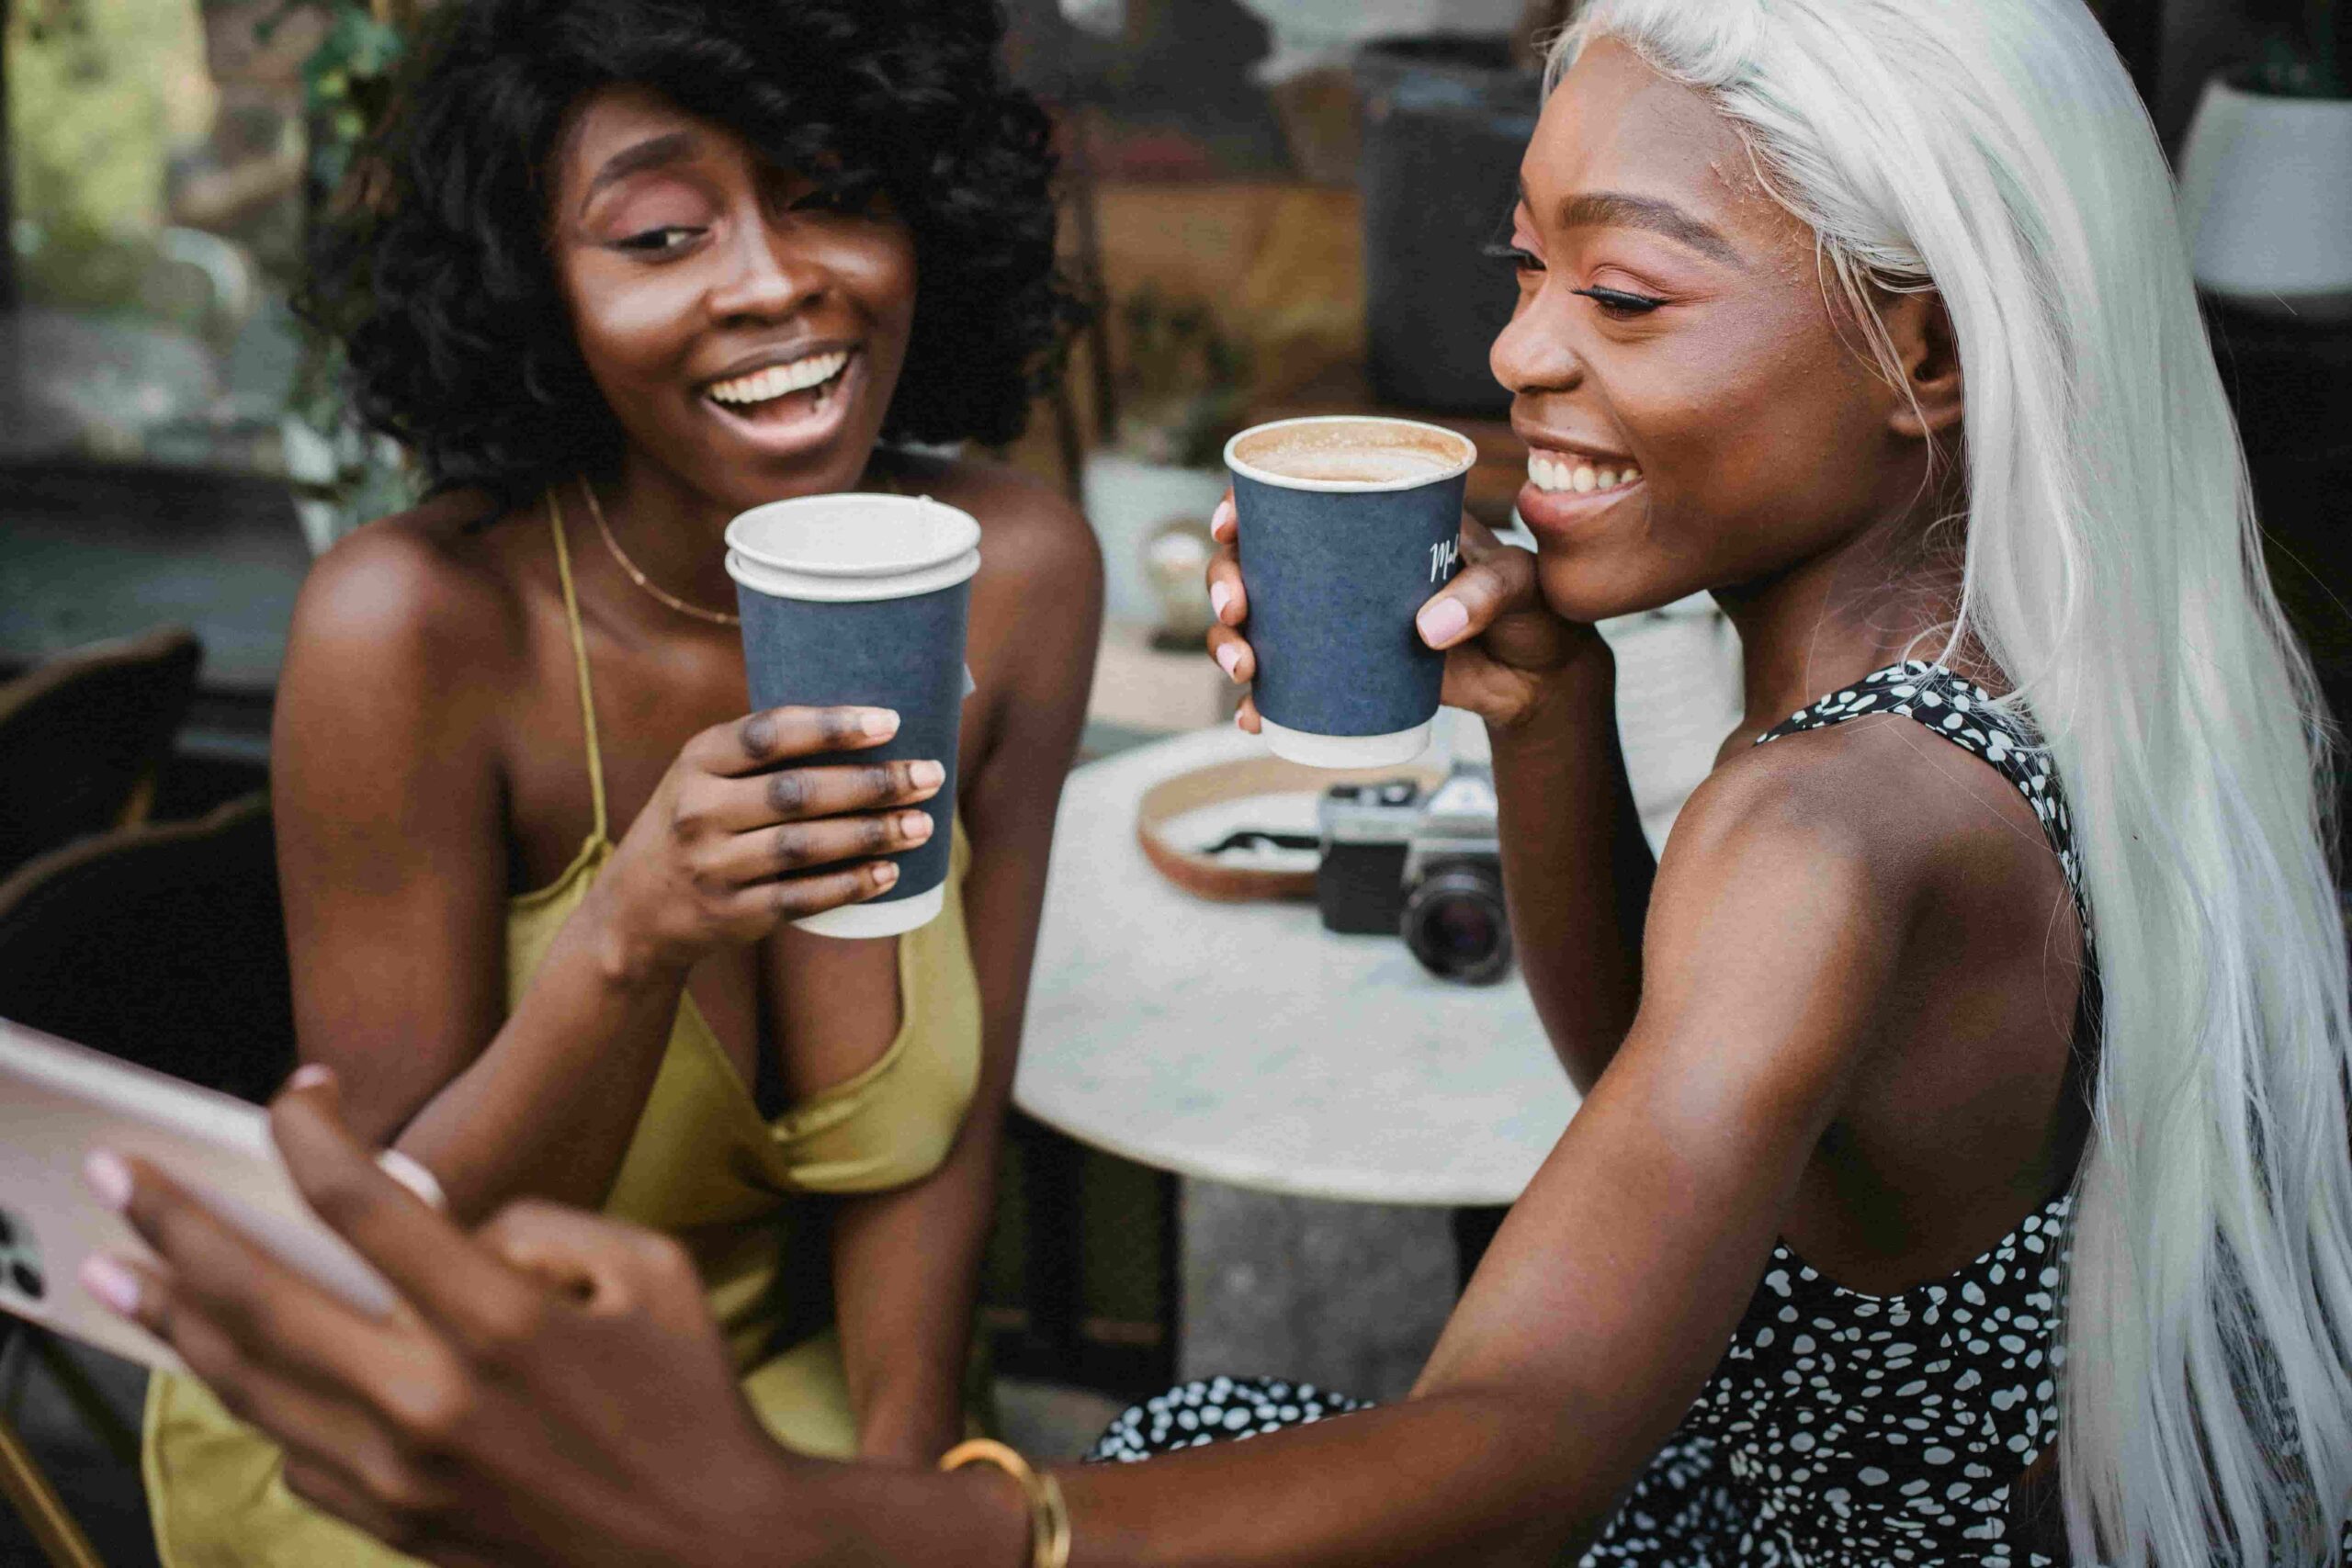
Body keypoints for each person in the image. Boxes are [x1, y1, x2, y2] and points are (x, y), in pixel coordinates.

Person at [91, 0, 2352, 1562]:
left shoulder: (1823, 821)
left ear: (1923, 354)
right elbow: (1706, 1106)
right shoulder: (1965, 704)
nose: (1511, 350)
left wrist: (842, 1526)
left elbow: (1516, 1456)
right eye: (1520, 258)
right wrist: (1549, 736)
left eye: (1626, 297)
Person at [135, 2, 1101, 1564]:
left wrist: (895, 1500)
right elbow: (384, 1252)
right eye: (660, 234)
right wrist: (634, 932)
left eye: (836, 191)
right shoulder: (420, 629)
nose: (776, 280)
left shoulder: (1014, 573)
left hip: (790, 1406)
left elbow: (949, 1142)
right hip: (424, 1429)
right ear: (538, 293)